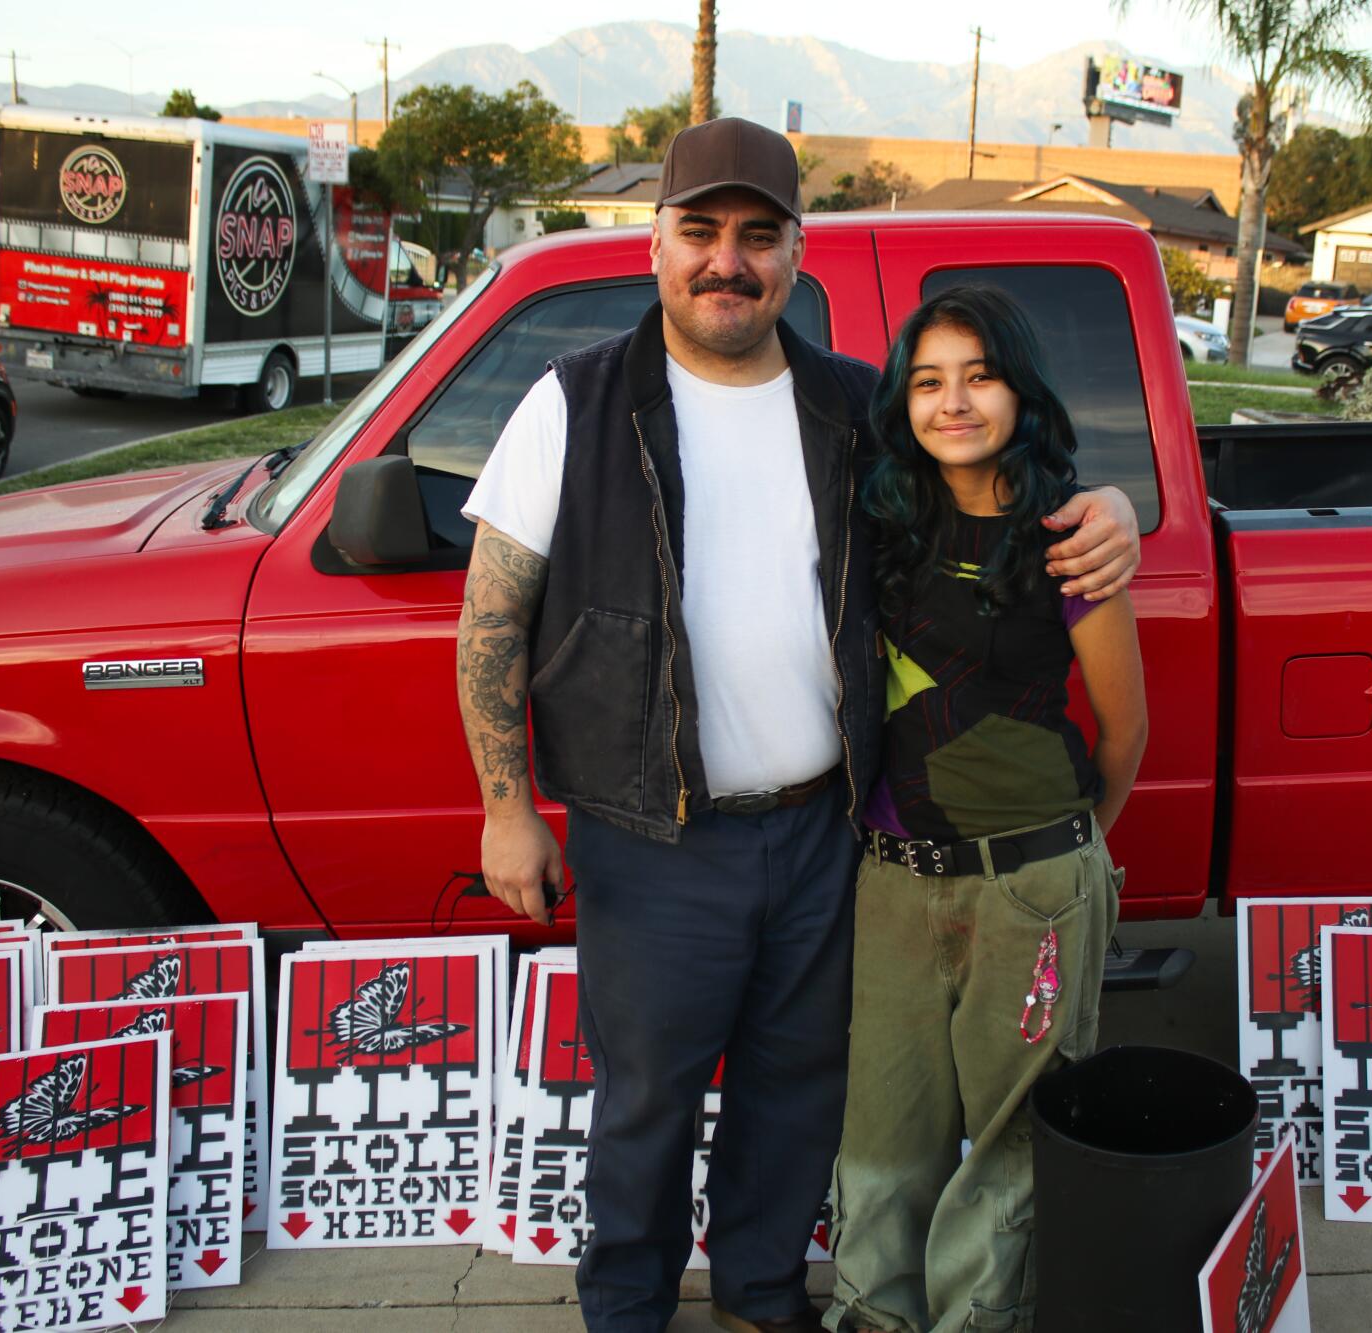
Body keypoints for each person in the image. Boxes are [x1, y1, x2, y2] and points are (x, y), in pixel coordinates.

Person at [455, 118, 1139, 1333]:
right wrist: (506, 807)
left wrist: (1109, 507)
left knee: (797, 1086)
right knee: (647, 1099)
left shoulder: (851, 404)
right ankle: (627, 1305)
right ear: (655, 243)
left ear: (794, 254)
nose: (727, 261)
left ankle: (762, 1294)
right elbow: (492, 616)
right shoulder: (573, 403)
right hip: (651, 838)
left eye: (756, 236)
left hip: (830, 834)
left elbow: (990, 477)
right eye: (700, 231)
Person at [826, 286, 1148, 1333]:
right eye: (928, 382)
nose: (953, 402)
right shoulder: (878, 522)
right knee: (882, 1128)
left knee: (1012, 1140)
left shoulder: (1069, 539)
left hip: (1032, 885)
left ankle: (979, 1319)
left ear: (1021, 391)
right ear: (902, 402)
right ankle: (871, 1313)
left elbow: (1124, 731)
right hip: (892, 880)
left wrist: (1065, 859)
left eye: (980, 376)